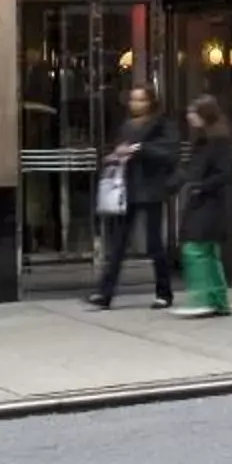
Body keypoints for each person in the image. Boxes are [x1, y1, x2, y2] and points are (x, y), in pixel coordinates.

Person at [91, 84, 180, 310]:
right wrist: (115, 156)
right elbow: (121, 149)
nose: (136, 104)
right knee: (118, 244)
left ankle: (164, 292)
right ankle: (105, 293)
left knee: (154, 244)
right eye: (133, 99)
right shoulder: (127, 126)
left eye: (141, 100)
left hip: (151, 189)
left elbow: (169, 154)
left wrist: (140, 149)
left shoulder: (162, 125)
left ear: (151, 101)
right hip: (127, 188)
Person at [173, 95, 232, 319]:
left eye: (193, 113)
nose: (189, 117)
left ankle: (202, 298)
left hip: (207, 202)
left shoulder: (216, 142)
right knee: (209, 252)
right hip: (207, 200)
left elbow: (225, 173)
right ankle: (218, 300)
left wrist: (199, 186)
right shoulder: (206, 139)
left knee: (195, 249)